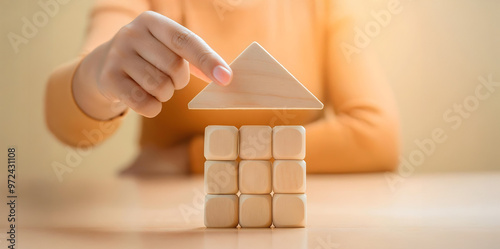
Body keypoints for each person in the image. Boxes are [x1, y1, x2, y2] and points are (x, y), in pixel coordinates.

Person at [45, 0, 400, 175]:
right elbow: (66, 122)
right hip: (167, 234)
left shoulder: (320, 6)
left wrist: (190, 159)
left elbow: (376, 137)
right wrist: (98, 77)